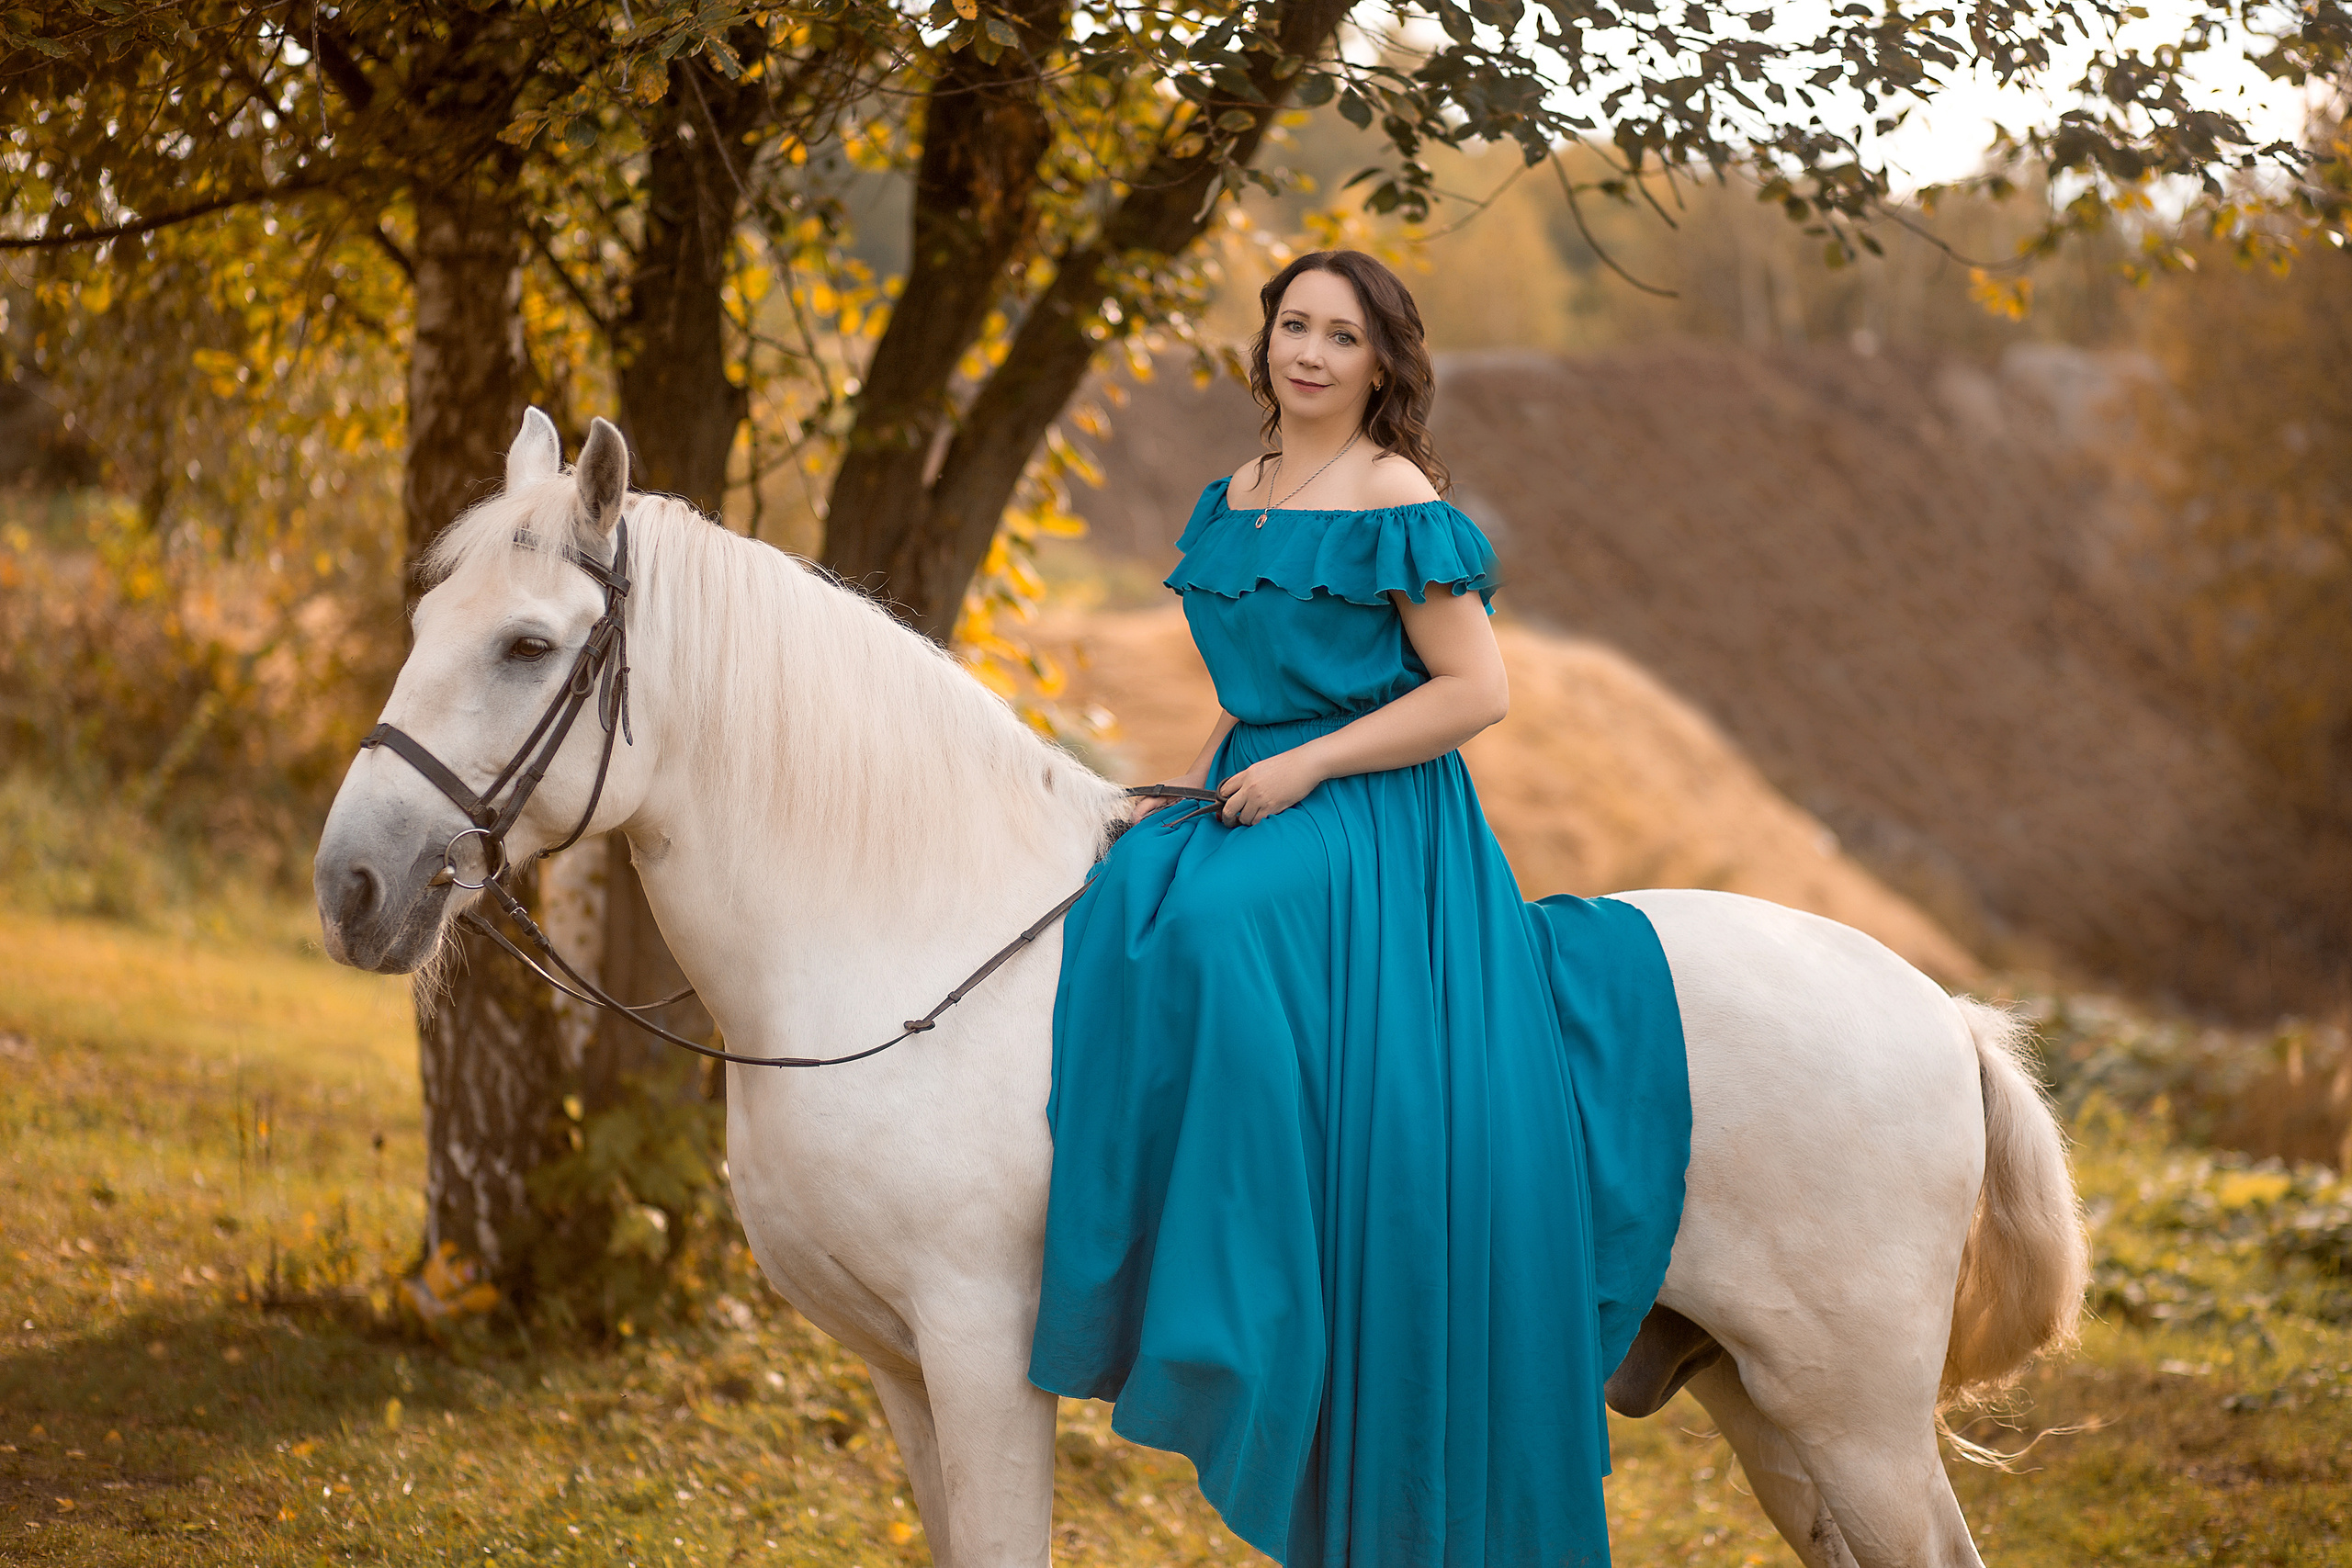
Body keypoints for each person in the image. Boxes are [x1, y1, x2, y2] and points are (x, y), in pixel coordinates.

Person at [1029, 250, 1691, 1568]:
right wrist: (1198, 769)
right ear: (1265, 341)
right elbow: (1252, 675)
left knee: (1217, 930)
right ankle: (1141, 1251)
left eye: (1341, 334)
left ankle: (1254, 1269)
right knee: (1120, 894)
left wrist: (1309, 763)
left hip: (1380, 812)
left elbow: (1476, 690)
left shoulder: (1396, 495)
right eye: (1293, 326)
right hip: (1261, 775)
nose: (1311, 353)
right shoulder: (1234, 494)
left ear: (1382, 361)